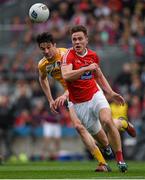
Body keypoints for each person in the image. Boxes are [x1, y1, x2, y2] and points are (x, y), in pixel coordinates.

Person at [36, 32, 112, 172]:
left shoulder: (66, 54)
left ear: (55, 45)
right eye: (43, 49)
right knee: (79, 127)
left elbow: (79, 76)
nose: (46, 51)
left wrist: (65, 94)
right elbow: (42, 78)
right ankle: (102, 163)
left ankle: (119, 128)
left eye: (48, 47)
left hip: (86, 89)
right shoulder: (43, 64)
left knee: (106, 125)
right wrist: (50, 99)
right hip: (72, 96)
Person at [61, 25, 128, 172]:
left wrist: (110, 92)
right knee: (104, 141)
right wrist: (85, 69)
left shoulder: (93, 55)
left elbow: (98, 75)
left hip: (95, 93)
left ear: (86, 40)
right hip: (79, 104)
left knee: (106, 121)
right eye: (74, 39)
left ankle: (120, 160)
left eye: (80, 39)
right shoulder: (68, 56)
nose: (77, 42)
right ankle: (122, 124)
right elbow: (66, 75)